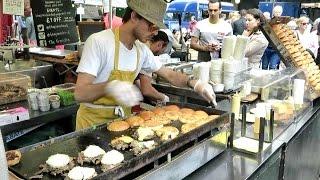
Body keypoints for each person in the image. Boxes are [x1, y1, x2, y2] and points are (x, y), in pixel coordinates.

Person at [74, 0, 217, 130]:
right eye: (152, 26)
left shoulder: (141, 50)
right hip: (91, 125)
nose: (155, 32)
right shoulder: (99, 42)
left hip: (123, 122)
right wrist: (109, 87)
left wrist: (195, 83)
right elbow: (80, 93)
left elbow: (170, 75)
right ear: (134, 16)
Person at [136, 31, 170, 103]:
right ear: (159, 44)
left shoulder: (138, 45)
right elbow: (146, 90)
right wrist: (163, 98)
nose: (159, 54)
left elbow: (136, 80)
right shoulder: (147, 54)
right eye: (161, 51)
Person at [261, 5, 282, 70]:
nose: (277, 13)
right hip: (267, 48)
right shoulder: (268, 22)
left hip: (276, 49)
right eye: (276, 12)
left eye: (279, 12)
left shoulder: (282, 23)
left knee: (272, 66)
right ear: (273, 12)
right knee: (264, 66)